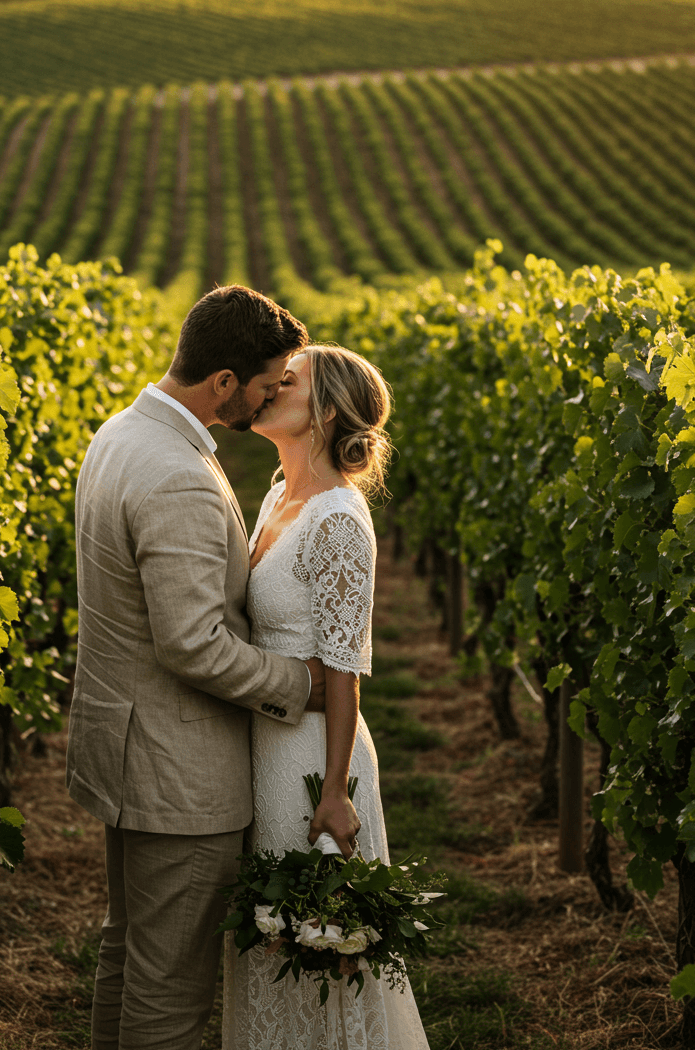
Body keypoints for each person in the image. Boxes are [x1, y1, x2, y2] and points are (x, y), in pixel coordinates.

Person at [66, 285, 329, 1050]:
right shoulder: (177, 471)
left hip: (124, 747)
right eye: (268, 381)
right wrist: (302, 684)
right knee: (171, 995)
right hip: (175, 772)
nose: (275, 393)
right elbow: (192, 643)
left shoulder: (121, 432)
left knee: (130, 955)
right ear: (223, 384)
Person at [222, 344, 430, 1050]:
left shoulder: (338, 517)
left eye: (289, 382)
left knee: (315, 946)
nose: (270, 388)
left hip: (310, 758)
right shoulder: (280, 494)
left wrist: (335, 789)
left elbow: (345, 672)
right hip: (266, 739)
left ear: (327, 411)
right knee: (272, 940)